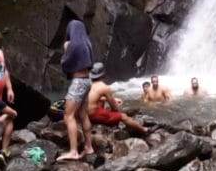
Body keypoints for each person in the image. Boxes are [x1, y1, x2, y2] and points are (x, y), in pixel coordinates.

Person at [57, 19, 94, 161]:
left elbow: (66, 63)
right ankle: (89, 147)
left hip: (78, 82)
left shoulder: (71, 44)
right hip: (87, 81)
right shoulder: (87, 43)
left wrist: (66, 48)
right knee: (83, 114)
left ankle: (73, 151)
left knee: (69, 116)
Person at [87, 63, 150, 135]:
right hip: (93, 115)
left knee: (101, 101)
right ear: (103, 75)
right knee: (123, 116)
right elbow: (114, 106)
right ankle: (144, 129)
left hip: (85, 114)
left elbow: (94, 97)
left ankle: (110, 120)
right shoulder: (104, 87)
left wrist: (112, 99)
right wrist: (116, 109)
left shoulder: (89, 85)